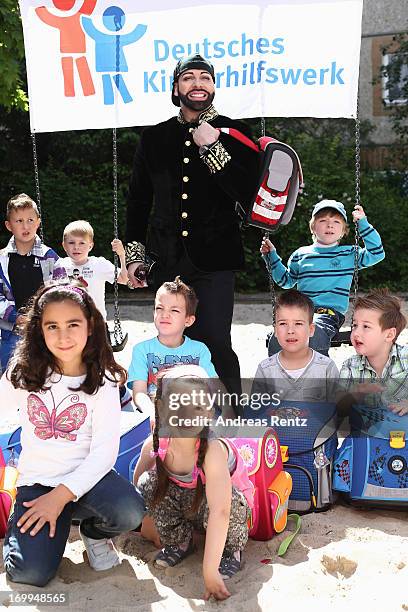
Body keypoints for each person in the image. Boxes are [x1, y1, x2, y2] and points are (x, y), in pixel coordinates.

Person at [125, 53, 259, 397]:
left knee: (215, 341)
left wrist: (213, 147)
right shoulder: (153, 138)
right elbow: (138, 201)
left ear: (213, 87)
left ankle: (231, 422)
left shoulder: (236, 133)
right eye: (188, 77)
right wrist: (135, 255)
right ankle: (176, 424)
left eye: (205, 77)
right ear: (176, 88)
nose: (197, 83)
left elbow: (247, 193)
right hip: (166, 258)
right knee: (171, 344)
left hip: (216, 260)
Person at [1, 283, 145, 587]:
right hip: (38, 484)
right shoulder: (25, 372)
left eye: (72, 324)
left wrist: (61, 498)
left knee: (131, 510)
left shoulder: (103, 380)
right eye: (52, 326)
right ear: (39, 329)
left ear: (90, 326)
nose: (63, 336)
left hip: (87, 480)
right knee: (30, 574)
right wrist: (50, 500)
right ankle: (29, 536)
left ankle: (92, 533)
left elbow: (104, 454)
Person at [134, 365, 253, 601]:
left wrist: (208, 571)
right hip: (191, 505)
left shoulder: (212, 450)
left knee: (228, 501)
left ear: (209, 412)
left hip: (226, 509)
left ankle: (231, 551)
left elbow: (221, 510)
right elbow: (138, 482)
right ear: (161, 408)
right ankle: (181, 542)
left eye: (197, 406)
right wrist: (146, 520)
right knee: (150, 482)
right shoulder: (157, 443)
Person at [261, 200, 385, 356]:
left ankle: (318, 372)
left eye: (336, 222)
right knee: (278, 336)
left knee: (315, 332)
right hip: (301, 313)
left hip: (329, 314)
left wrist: (363, 224)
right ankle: (279, 372)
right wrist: (271, 257)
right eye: (323, 221)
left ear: (344, 230)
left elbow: (377, 254)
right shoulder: (301, 255)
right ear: (313, 227)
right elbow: (285, 281)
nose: (329, 225)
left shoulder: (349, 254)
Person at [128, 276, 217, 418]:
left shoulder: (199, 351)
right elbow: (139, 393)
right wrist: (152, 414)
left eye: (174, 310)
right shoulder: (142, 350)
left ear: (188, 320)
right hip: (155, 418)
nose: (165, 314)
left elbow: (214, 389)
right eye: (159, 308)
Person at [0, 193, 65, 371]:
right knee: (10, 378)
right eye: (19, 221)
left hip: (44, 329)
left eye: (30, 220)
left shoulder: (50, 257)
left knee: (45, 375)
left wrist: (45, 316)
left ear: (38, 222)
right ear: (8, 225)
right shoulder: (2, 259)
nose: (25, 226)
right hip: (10, 332)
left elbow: (62, 290)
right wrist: (16, 317)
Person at [251, 289, 339, 404]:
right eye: (283, 324)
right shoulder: (265, 369)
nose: (290, 331)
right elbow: (256, 410)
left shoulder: (326, 368)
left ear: (311, 330)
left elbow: (338, 410)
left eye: (298, 324)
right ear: (275, 330)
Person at [338, 288, 408, 417]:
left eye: (366, 326)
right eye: (354, 325)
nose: (356, 333)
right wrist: (354, 395)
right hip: (367, 434)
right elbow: (338, 411)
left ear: (389, 335)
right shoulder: (350, 366)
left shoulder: (405, 358)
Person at [60, 220, 128, 321]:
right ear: (64, 245)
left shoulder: (99, 264)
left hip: (96, 322)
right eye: (71, 243)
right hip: (69, 322)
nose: (76, 247)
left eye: (82, 243)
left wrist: (122, 255)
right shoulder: (60, 265)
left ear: (90, 246)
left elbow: (124, 279)